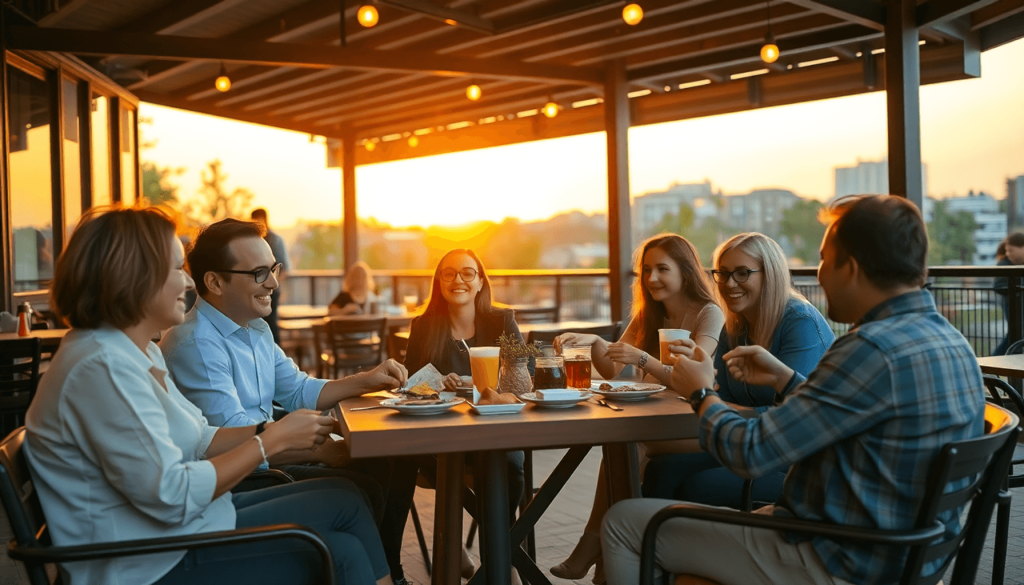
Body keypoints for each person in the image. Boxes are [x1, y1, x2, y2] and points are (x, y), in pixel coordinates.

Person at [602, 195, 986, 585]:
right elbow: (847, 413)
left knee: (624, 523)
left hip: (832, 555)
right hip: (906, 557)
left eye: (824, 260)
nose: (819, 274)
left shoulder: (868, 350)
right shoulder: (952, 343)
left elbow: (749, 454)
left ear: (850, 268)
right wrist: (787, 381)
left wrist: (702, 393)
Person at [24, 206, 392, 585]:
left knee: (346, 503)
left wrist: (274, 432)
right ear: (130, 276)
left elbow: (201, 436)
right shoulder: (102, 367)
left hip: (182, 529)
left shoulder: (135, 350)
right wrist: (271, 441)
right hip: (147, 562)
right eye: (175, 268)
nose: (188, 282)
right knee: (341, 541)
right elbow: (171, 495)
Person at [159, 218, 412, 585]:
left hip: (261, 460)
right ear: (214, 282)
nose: (274, 283)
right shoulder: (197, 343)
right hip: (244, 478)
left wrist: (366, 379)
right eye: (259, 273)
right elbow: (232, 440)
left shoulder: (255, 328)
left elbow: (297, 391)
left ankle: (382, 571)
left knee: (385, 464)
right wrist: (319, 451)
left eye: (273, 268)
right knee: (359, 490)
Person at [549, 233, 725, 582]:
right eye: (646, 270)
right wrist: (596, 342)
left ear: (686, 271)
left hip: (692, 420)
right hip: (656, 416)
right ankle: (605, 557)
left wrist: (643, 358)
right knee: (622, 442)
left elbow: (693, 377)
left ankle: (595, 545)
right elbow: (611, 369)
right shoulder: (649, 313)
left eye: (662, 269)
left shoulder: (709, 313)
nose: (652, 278)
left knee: (628, 442)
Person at [642, 233, 834, 508]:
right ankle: (653, 537)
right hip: (751, 445)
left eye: (742, 273)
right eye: (723, 273)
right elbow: (720, 393)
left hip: (799, 462)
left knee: (700, 485)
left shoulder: (800, 321)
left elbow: (792, 414)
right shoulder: (734, 326)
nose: (729, 284)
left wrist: (707, 398)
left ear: (770, 275)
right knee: (661, 469)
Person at [394, 248, 530, 582]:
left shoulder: (501, 320)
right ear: (439, 282)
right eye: (449, 273)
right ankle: (481, 551)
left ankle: (501, 557)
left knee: (510, 464)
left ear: (480, 281)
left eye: (468, 273)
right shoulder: (424, 326)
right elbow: (408, 386)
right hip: (441, 437)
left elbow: (523, 377)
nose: (459, 280)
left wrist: (484, 382)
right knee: (407, 453)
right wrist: (437, 381)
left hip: (494, 431)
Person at [251, 208, 288, 344]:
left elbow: (284, 268)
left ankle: (274, 354)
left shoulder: (275, 240)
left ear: (264, 219)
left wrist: (272, 284)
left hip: (271, 292)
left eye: (258, 220)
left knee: (271, 325)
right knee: (256, 325)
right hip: (255, 290)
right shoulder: (254, 240)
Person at [993, 233, 1024, 355]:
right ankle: (995, 359)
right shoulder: (1005, 264)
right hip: (1013, 306)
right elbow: (998, 286)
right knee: (1015, 336)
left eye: (1011, 250)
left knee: (1015, 336)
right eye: (1007, 250)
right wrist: (1015, 288)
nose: (1008, 254)